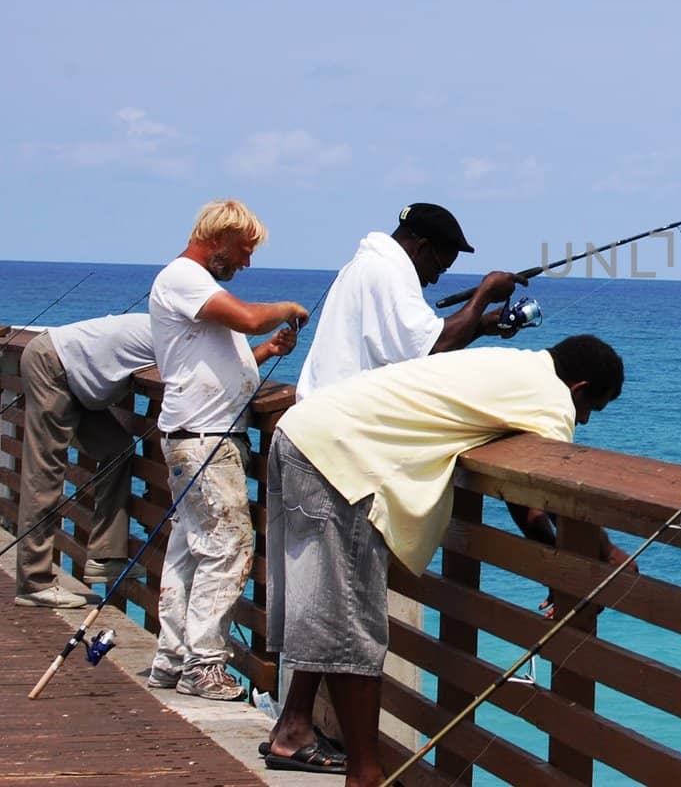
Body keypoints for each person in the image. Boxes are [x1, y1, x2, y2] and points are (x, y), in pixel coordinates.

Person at [264, 336, 630, 783]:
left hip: (304, 433)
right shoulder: (551, 398)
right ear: (579, 388)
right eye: (593, 407)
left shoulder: (516, 366)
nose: (586, 420)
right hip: (342, 458)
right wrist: (606, 551)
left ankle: (294, 726)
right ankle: (366, 775)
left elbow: (531, 506)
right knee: (353, 628)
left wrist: (556, 557)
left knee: (330, 608)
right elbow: (558, 488)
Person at [147, 199, 308, 702]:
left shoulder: (193, 286)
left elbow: (213, 357)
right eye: (243, 251)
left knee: (190, 549)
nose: (246, 262)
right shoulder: (184, 278)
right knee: (230, 546)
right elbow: (247, 318)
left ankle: (172, 659)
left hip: (197, 435)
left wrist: (266, 354)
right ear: (218, 240)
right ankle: (204, 665)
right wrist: (284, 308)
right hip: (203, 440)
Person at [294, 202, 523, 402]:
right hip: (330, 434)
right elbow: (434, 347)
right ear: (421, 247)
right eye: (439, 268)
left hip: (312, 421)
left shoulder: (366, 264)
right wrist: (485, 293)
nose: (434, 279)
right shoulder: (388, 271)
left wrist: (480, 326)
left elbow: (413, 347)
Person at [13, 312, 155, 608]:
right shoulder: (178, 337)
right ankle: (33, 581)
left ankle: (105, 555)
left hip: (74, 378)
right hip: (51, 364)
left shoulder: (172, 329)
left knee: (118, 448)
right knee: (44, 475)